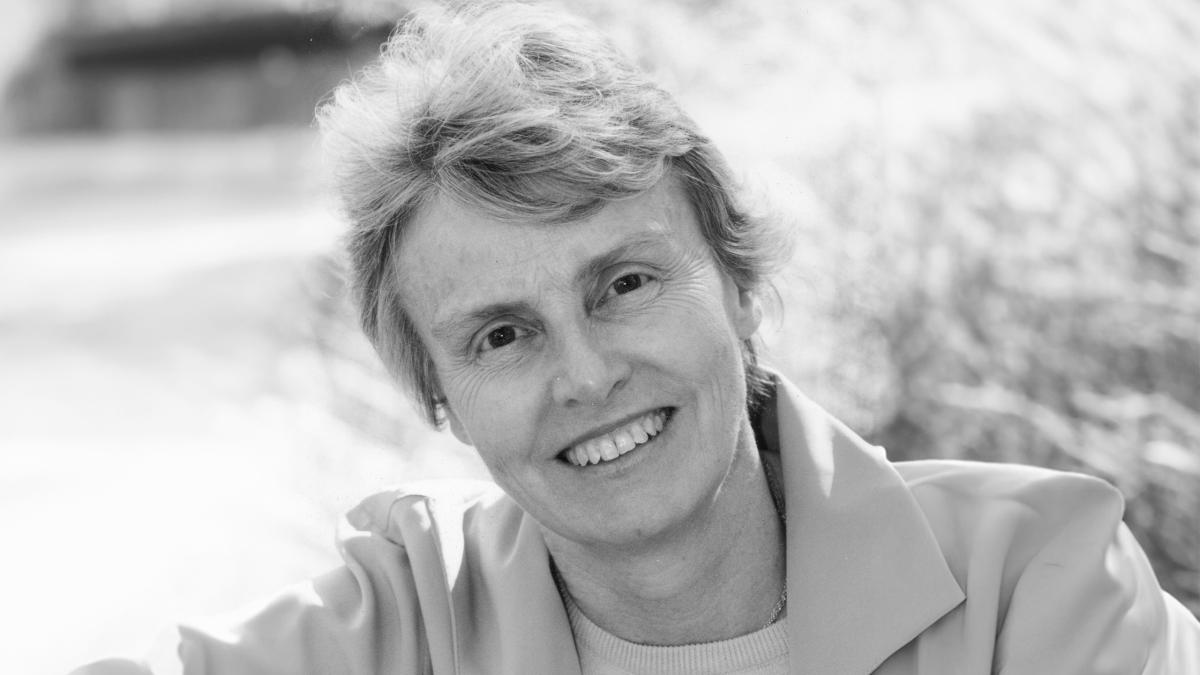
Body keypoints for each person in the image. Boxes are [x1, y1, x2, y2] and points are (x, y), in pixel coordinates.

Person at [74, 2, 1199, 673]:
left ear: (738, 288)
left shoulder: (1038, 590)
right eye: (503, 335)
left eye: (623, 282)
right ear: (439, 401)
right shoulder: (387, 633)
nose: (590, 373)